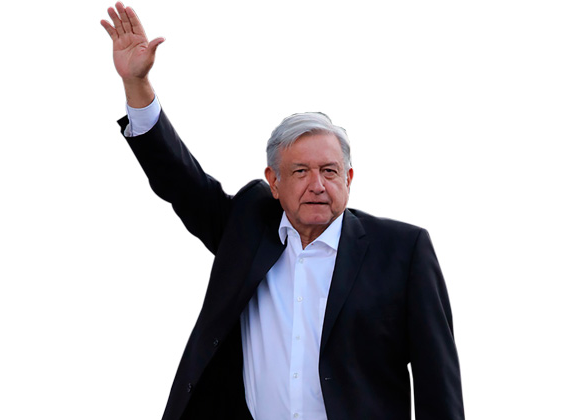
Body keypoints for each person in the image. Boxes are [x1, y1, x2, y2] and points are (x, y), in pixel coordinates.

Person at [101, 3, 464, 420]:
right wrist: (137, 84)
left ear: (349, 178)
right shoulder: (248, 227)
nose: (317, 184)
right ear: (273, 182)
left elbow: (438, 383)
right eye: (301, 172)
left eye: (330, 171)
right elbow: (180, 180)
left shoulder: (402, 251)